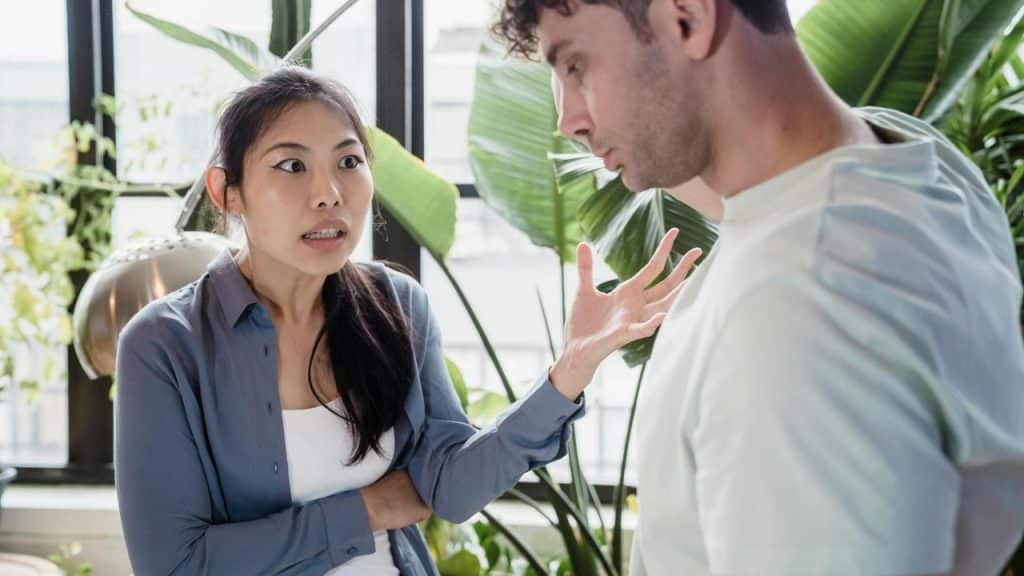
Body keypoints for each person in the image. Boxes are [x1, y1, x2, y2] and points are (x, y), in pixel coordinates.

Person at [493, 0, 1024, 574]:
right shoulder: (910, 159)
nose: (566, 121)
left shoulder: (792, 310)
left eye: (575, 65)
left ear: (687, 18)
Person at [114, 66, 700, 575]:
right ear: (227, 192)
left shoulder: (396, 304)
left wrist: (569, 372)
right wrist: (369, 508)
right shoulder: (165, 346)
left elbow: (450, 487)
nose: (329, 193)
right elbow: (175, 565)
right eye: (291, 165)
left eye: (348, 162)